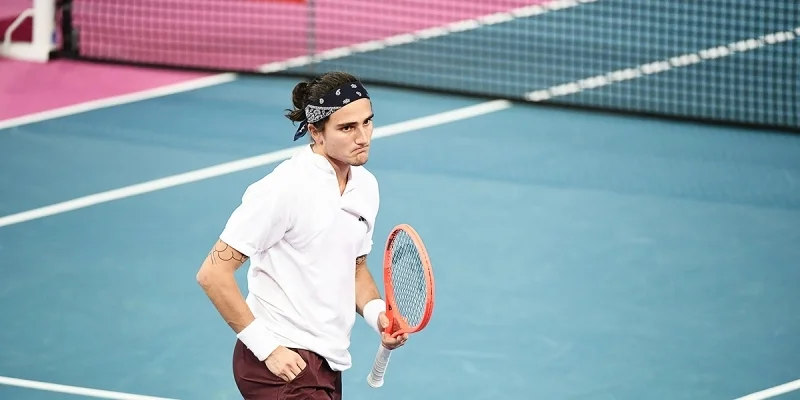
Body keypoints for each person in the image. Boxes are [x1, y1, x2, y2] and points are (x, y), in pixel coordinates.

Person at [195, 71, 408, 399]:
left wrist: (377, 314)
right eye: (347, 128)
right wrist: (268, 349)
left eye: (367, 122)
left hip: (326, 360)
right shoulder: (284, 189)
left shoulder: (366, 187)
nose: (363, 137)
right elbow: (212, 274)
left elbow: (354, 269)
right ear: (315, 132)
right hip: (280, 362)